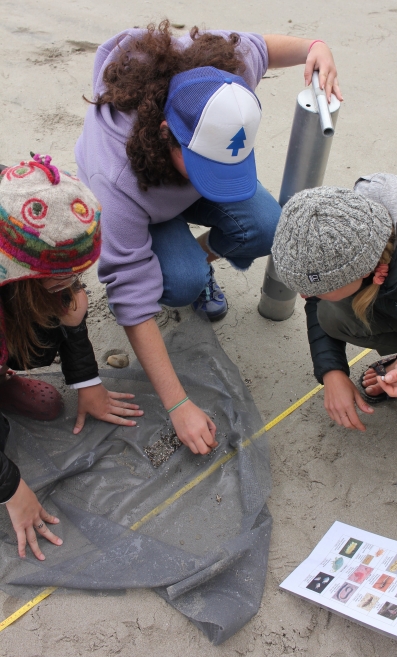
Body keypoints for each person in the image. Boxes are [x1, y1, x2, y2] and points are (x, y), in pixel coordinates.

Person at [75, 20, 342, 458]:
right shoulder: (115, 173)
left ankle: (199, 262)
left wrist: (317, 45)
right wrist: (178, 404)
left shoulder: (221, 82)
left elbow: (262, 46)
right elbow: (128, 291)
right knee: (180, 283)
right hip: (144, 193)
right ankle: (185, 268)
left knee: (267, 224)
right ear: (167, 132)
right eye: (205, 165)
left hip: (180, 183)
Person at [0, 155, 143, 560]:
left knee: (67, 309)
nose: (75, 284)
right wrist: (12, 490)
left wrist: (87, 379)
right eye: (61, 276)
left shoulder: (16, 205)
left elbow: (65, 301)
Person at [271, 175, 397, 466]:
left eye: (315, 288)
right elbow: (319, 303)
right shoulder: (347, 226)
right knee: (332, 312)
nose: (304, 295)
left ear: (362, 271)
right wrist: (332, 371)